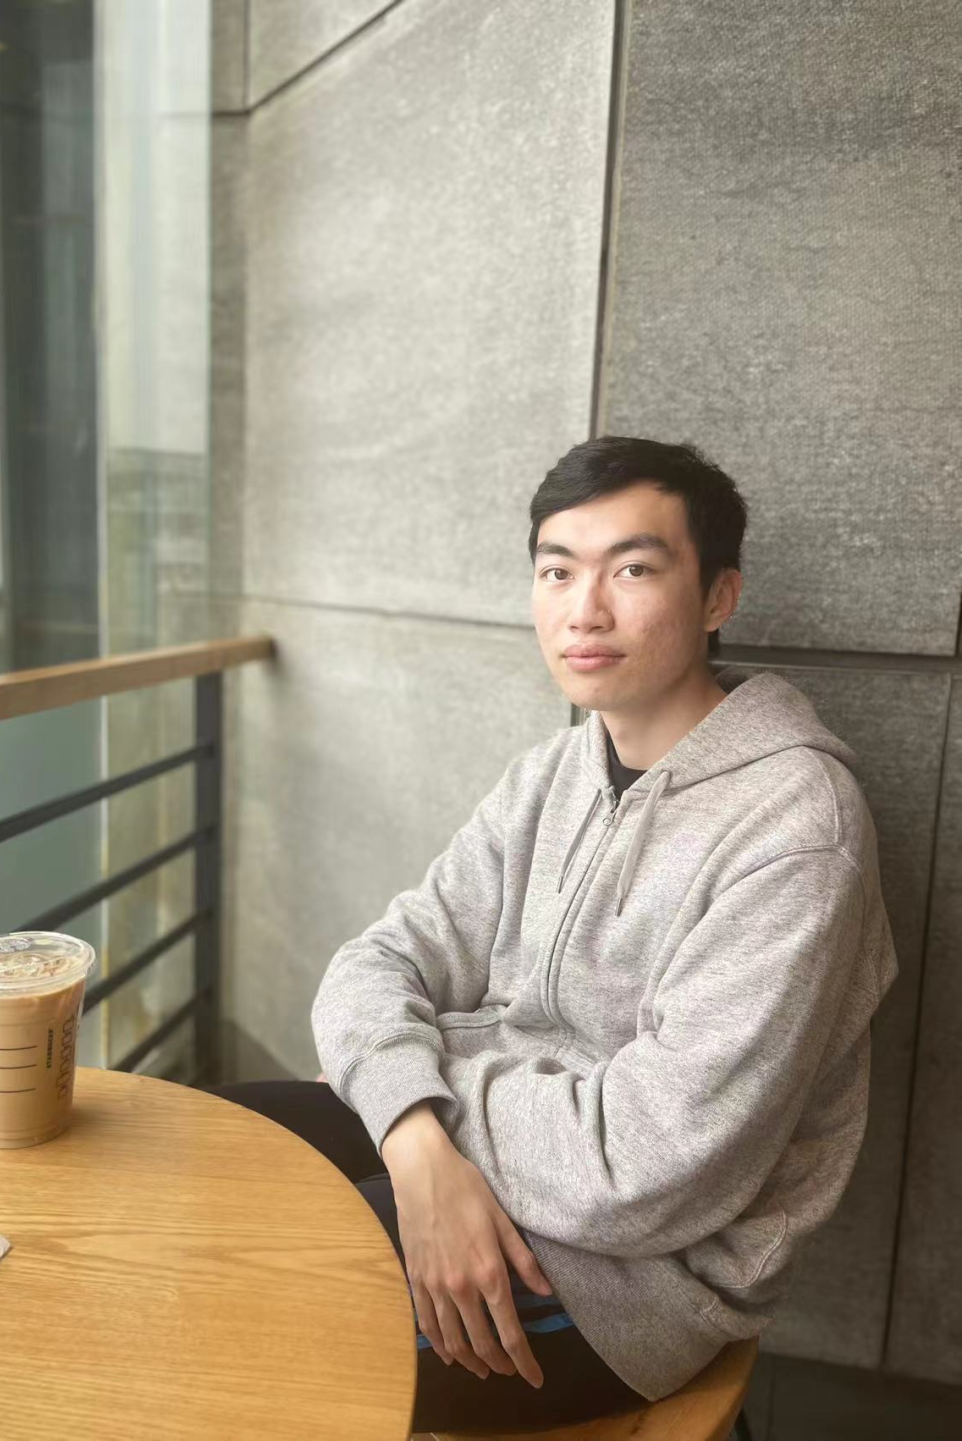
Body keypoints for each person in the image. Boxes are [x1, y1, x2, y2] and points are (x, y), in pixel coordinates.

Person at [204, 435, 899, 1433]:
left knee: (226, 1302)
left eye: (632, 570)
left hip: (625, 1280)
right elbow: (374, 964)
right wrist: (414, 1142)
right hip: (487, 1156)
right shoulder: (551, 774)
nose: (584, 609)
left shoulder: (795, 830)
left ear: (718, 596)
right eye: (557, 570)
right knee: (198, 1162)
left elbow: (646, 1168)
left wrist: (413, 1088)